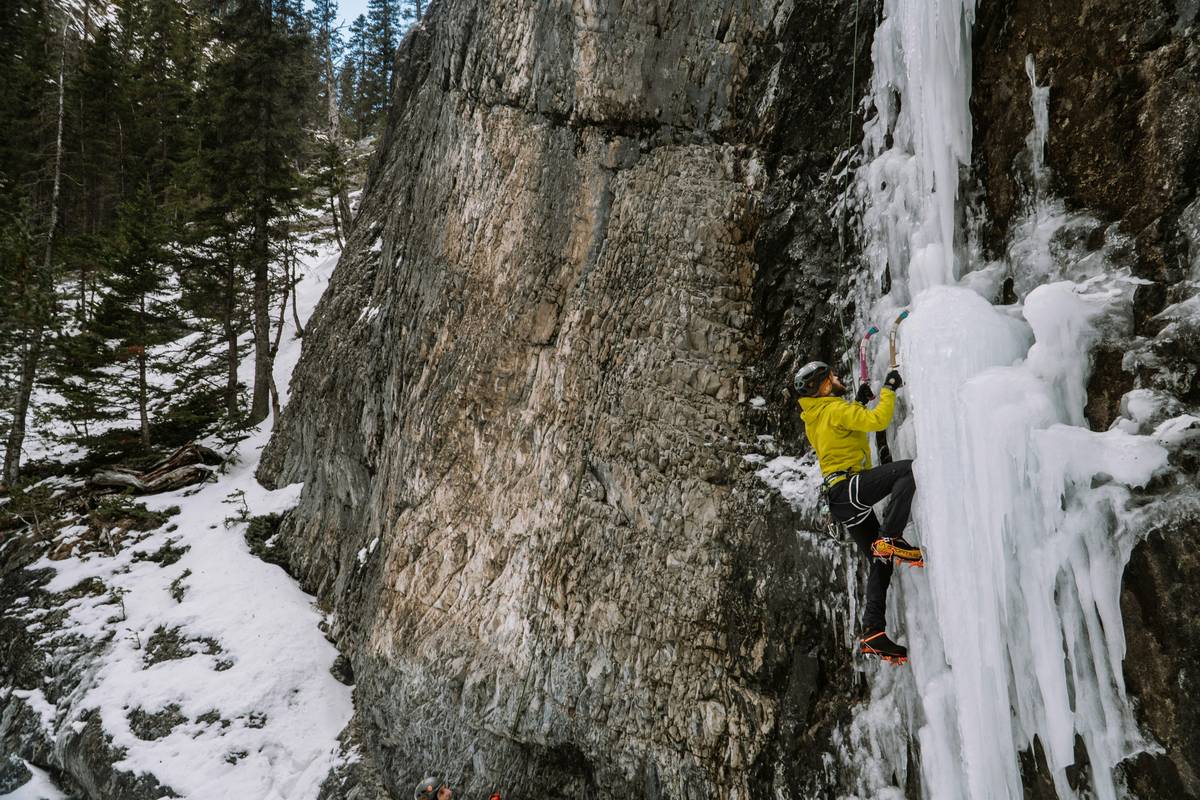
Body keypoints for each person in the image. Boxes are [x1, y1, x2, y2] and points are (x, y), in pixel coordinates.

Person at [794, 360, 922, 664]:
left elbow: (844, 431)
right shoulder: (834, 410)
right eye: (832, 377)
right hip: (847, 488)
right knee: (909, 471)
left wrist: (858, 402)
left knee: (881, 561)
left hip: (840, 500)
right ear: (824, 386)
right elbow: (878, 421)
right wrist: (889, 389)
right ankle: (891, 537)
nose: (837, 378)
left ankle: (872, 632)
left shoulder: (815, 417)